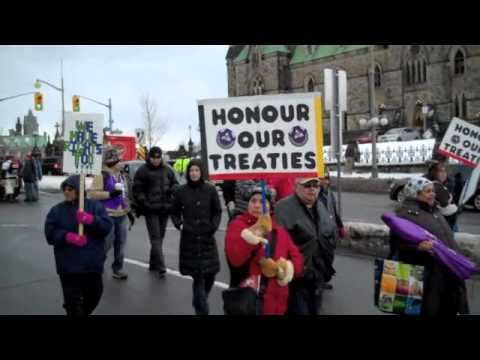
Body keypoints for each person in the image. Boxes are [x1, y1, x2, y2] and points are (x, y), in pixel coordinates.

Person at [387, 177, 469, 316]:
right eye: (428, 191)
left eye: (433, 191)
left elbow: (446, 235)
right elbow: (396, 244)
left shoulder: (434, 210)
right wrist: (418, 247)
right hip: (425, 276)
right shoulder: (404, 214)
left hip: (447, 270)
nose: (433, 194)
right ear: (416, 193)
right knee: (429, 309)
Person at [225, 187, 304, 315]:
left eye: (262, 202)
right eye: (253, 201)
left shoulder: (280, 231)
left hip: (277, 302)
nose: (257, 205)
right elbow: (235, 259)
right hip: (248, 301)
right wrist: (254, 236)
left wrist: (285, 268)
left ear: (270, 207)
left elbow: (298, 258)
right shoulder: (237, 226)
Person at [44, 175, 113, 316]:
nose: (66, 192)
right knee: (72, 303)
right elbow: (50, 234)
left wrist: (91, 220)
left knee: (94, 295)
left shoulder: (94, 206)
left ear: (79, 191)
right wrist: (67, 237)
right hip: (69, 266)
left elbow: (106, 227)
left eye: (70, 189)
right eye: (65, 189)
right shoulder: (56, 211)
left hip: (91, 264)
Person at [275, 177, 337, 315]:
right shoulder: (283, 208)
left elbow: (330, 234)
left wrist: (327, 265)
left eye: (316, 185)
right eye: (307, 185)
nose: (312, 189)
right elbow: (279, 244)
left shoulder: (320, 206)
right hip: (296, 278)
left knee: (314, 310)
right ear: (296, 186)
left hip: (318, 274)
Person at [170, 159, 222, 315]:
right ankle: (201, 308)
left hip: (207, 238)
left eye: (197, 170)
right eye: (191, 170)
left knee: (211, 275)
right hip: (190, 240)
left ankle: (199, 300)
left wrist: (213, 226)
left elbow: (217, 211)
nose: (194, 173)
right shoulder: (181, 191)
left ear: (201, 172)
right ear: (188, 172)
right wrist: (180, 225)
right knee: (198, 277)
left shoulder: (210, 190)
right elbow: (174, 212)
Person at [132, 146, 179, 279]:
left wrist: (173, 189)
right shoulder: (142, 171)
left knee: (160, 237)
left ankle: (153, 263)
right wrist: (144, 202)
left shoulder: (167, 170)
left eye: (158, 158)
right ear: (150, 157)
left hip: (165, 209)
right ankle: (161, 266)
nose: (156, 160)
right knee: (156, 238)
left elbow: (175, 183)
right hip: (150, 210)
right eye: (154, 158)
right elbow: (137, 189)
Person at [89, 148, 131, 280]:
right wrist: (109, 194)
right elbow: (93, 194)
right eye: (120, 160)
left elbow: (125, 195)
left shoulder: (122, 176)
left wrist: (128, 210)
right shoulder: (102, 175)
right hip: (107, 216)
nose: (123, 163)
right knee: (106, 244)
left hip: (122, 215)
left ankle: (117, 269)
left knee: (121, 243)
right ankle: (96, 266)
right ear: (113, 162)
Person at [318, 174, 347, 290]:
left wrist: (340, 226)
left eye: (326, 179)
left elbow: (334, 211)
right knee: (321, 257)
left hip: (331, 231)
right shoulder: (315, 194)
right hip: (321, 232)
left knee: (329, 256)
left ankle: (324, 279)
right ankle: (319, 281)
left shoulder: (330, 194)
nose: (324, 181)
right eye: (322, 179)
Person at [424, 160, 458, 231]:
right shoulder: (436, 186)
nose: (444, 174)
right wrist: (459, 208)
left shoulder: (438, 184)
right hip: (446, 221)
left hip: (446, 220)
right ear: (434, 173)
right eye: (441, 171)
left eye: (445, 171)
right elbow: (444, 203)